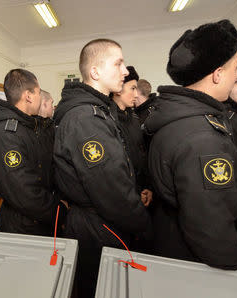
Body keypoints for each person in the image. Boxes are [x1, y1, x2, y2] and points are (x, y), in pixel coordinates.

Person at [144, 20, 237, 269]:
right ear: (218, 74)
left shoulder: (181, 118)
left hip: (172, 240)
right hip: (195, 260)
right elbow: (211, 227)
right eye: (236, 69)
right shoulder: (202, 139)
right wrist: (234, 271)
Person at [53, 39, 152, 297]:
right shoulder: (86, 118)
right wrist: (143, 222)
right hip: (98, 224)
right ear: (95, 72)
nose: (125, 71)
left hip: (100, 219)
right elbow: (110, 187)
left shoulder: (98, 110)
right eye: (118, 63)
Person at [0, 69, 66, 236]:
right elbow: (25, 193)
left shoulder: (30, 126)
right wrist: (61, 212)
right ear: (28, 95)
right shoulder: (7, 135)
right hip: (23, 227)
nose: (39, 97)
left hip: (42, 221)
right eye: (37, 92)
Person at [110, 66, 152, 207]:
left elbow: (140, 154)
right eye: (132, 88)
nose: (136, 94)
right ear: (117, 90)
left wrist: (146, 186)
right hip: (124, 198)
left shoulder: (133, 117)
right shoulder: (108, 120)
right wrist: (132, 193)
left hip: (141, 190)